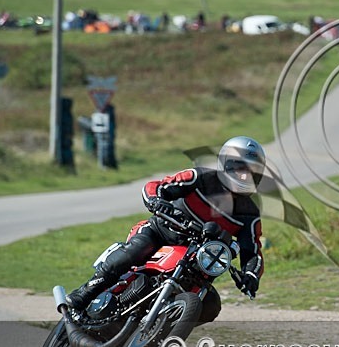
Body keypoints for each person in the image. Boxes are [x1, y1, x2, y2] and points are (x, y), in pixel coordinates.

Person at [66, 136, 266, 324]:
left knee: (211, 305)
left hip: (198, 261)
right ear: (227, 164)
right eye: (241, 169)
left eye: (252, 172)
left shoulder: (250, 213)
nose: (246, 176)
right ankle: (82, 296)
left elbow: (253, 251)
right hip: (161, 233)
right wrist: (156, 201)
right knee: (134, 252)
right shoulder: (199, 177)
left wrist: (251, 276)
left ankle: (162, 333)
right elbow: (156, 186)